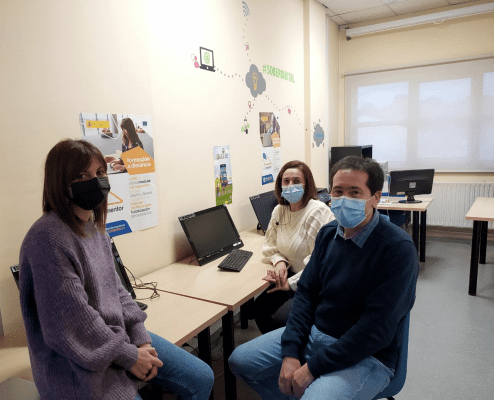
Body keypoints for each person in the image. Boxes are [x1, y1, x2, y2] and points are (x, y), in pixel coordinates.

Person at [19, 139, 213, 400]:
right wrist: (131, 356)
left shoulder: (95, 229)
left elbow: (118, 290)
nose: (96, 181)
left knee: (201, 377)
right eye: (82, 176)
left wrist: (141, 338)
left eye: (100, 173)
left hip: (115, 341)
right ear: (60, 183)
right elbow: (75, 325)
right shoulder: (47, 238)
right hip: (78, 365)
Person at [229, 156, 419, 399]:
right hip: (316, 335)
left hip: (367, 355)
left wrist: (312, 368)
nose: (344, 198)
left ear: (376, 198)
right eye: (338, 191)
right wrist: (290, 353)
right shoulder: (328, 235)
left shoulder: (397, 248)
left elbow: (376, 330)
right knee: (240, 361)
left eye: (354, 192)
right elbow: (306, 295)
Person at [253, 160, 334, 334]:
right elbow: (269, 246)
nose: (290, 185)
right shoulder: (279, 211)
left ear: (307, 184)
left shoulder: (317, 212)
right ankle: (277, 347)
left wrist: (290, 284)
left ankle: (293, 347)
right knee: (259, 308)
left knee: (281, 319)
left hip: (314, 283)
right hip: (291, 276)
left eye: (296, 181)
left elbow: (319, 263)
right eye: (286, 181)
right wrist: (279, 261)